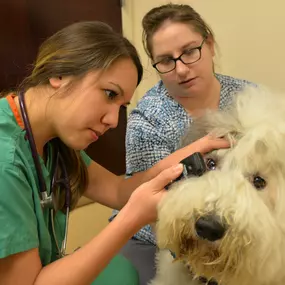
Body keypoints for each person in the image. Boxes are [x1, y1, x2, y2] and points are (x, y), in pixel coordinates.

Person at [0, 21, 229, 285]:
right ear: (59, 74)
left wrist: (195, 149)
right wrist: (132, 218)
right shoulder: (6, 161)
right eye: (109, 94)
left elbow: (119, 191)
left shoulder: (51, 139)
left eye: (121, 106)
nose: (113, 121)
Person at [110, 3, 258, 285]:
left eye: (190, 51)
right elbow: (157, 212)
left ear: (210, 45)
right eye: (166, 60)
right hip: (156, 237)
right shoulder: (148, 121)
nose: (181, 69)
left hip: (234, 227)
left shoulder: (249, 97)